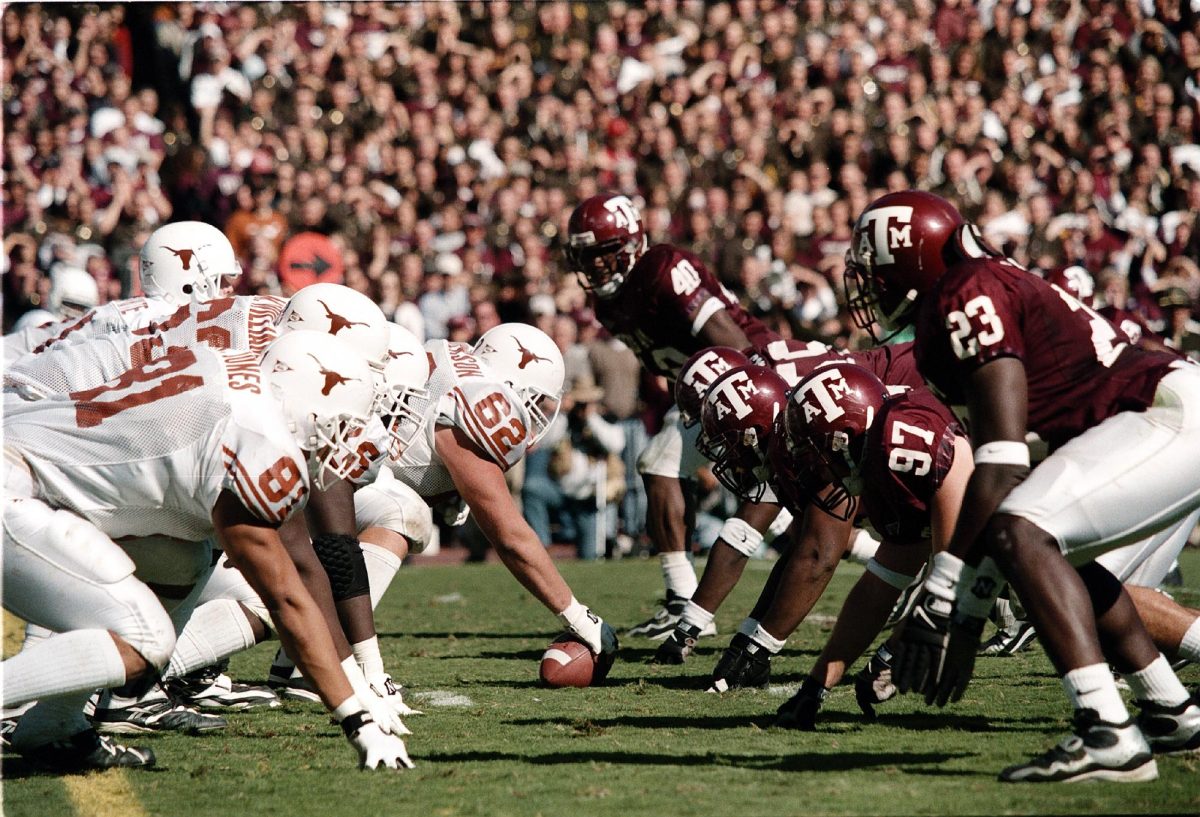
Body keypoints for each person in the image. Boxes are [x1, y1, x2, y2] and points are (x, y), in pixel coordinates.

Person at [844, 189, 1200, 782]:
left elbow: (1003, 466)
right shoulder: (983, 286)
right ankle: (1170, 710)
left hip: (1166, 412)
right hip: (1159, 411)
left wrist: (942, 602)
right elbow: (1013, 483)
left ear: (912, 264)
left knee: (1022, 530)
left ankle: (1107, 732)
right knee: (1060, 552)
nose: (872, 285)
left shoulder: (965, 291)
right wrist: (967, 614)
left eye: (878, 270)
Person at [2, 331, 414, 772]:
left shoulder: (229, 368)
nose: (342, 441)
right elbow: (287, 600)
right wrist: (358, 720)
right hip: (16, 488)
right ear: (304, 401)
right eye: (339, 425)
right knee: (145, 640)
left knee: (180, 561)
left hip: (30, 465)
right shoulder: (261, 447)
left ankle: (54, 724)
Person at [564, 193, 778, 640]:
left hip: (748, 379)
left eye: (603, 255)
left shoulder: (663, 268)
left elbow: (734, 343)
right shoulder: (610, 304)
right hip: (706, 394)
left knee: (790, 511)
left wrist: (737, 418)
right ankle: (684, 599)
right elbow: (666, 367)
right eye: (587, 257)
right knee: (783, 510)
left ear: (629, 244)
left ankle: (686, 600)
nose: (596, 267)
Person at [350, 322, 620, 661]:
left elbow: (411, 451)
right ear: (513, 378)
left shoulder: (452, 355)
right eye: (533, 397)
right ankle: (333, 654)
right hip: (336, 475)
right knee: (403, 514)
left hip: (338, 467)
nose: (535, 411)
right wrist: (579, 616)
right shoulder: (482, 400)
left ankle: (300, 665)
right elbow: (510, 536)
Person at [766, 362, 972, 728]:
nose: (820, 472)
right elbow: (881, 585)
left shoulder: (899, 442)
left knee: (1021, 572)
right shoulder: (880, 462)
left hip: (1061, 447)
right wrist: (817, 685)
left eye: (820, 457)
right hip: (1021, 478)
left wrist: (895, 651)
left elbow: (956, 566)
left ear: (847, 437)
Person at [3, 221, 240, 366]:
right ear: (187, 283)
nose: (229, 290)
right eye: (221, 281)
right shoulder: (149, 323)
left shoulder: (135, 313)